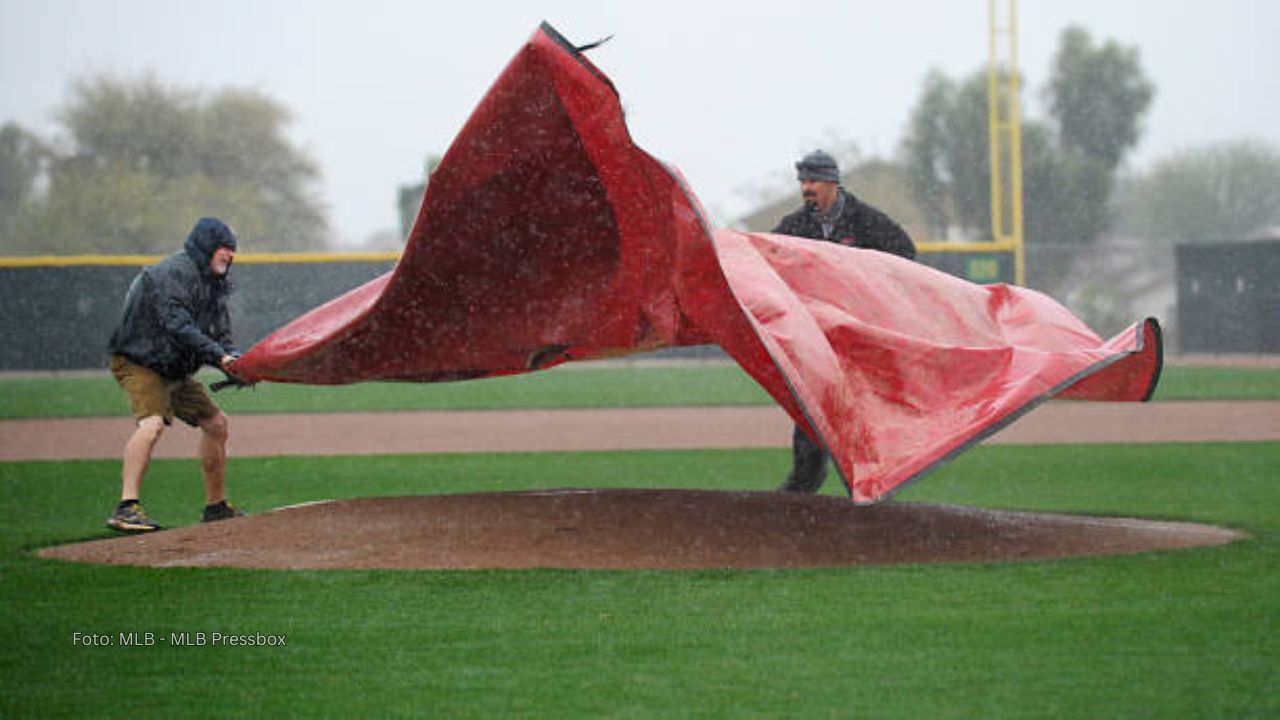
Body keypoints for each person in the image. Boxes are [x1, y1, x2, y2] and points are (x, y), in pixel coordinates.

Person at [772, 150, 917, 493]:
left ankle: (869, 488)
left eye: (813, 181)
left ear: (833, 183)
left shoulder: (865, 220)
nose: (807, 188)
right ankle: (803, 487)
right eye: (803, 181)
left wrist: (867, 287)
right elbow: (766, 263)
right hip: (815, 338)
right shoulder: (794, 226)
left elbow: (905, 252)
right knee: (810, 407)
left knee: (857, 413)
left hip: (857, 339)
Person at [104, 217, 246, 532]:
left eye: (232, 250)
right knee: (152, 424)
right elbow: (177, 325)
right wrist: (219, 356)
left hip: (173, 367)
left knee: (216, 424)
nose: (229, 255)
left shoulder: (214, 282)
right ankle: (126, 507)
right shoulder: (172, 272)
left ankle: (216, 507)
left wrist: (235, 362)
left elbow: (221, 335)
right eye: (223, 248)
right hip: (139, 361)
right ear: (206, 247)